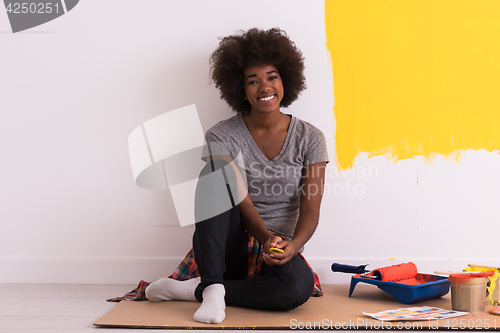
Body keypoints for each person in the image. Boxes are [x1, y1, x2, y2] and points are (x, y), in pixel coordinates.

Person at [145, 28, 329, 324]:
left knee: (297, 288)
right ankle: (215, 285)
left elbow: (311, 207)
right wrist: (265, 237)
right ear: (240, 89)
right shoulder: (221, 135)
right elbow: (241, 202)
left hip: (281, 247)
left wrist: (290, 246)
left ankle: (200, 290)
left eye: (272, 77)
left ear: (285, 81)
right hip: (230, 245)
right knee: (212, 173)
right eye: (252, 81)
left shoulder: (310, 137)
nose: (264, 87)